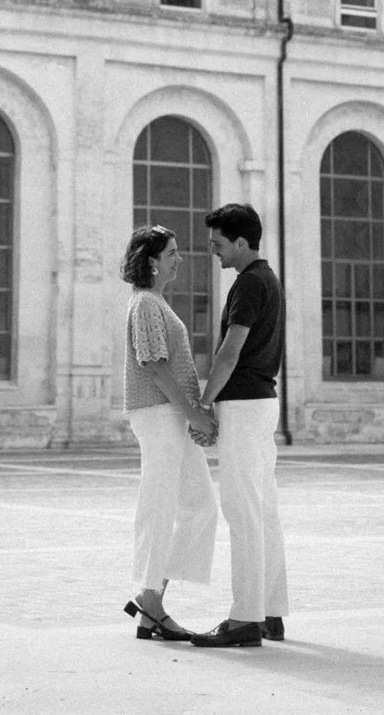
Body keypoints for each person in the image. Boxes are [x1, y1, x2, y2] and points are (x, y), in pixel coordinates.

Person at [190, 202, 288, 649]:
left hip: (244, 404)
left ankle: (245, 618)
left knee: (242, 511)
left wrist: (204, 402)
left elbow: (230, 352)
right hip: (262, 403)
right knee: (262, 509)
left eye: (219, 244)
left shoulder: (249, 284)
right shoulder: (267, 278)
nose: (214, 252)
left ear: (242, 242)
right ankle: (270, 611)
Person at [120, 224, 218, 641]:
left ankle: (150, 600)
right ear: (152, 260)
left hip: (169, 415)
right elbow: (155, 366)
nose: (179, 258)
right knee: (159, 505)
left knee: (200, 505)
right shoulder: (145, 303)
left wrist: (191, 413)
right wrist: (194, 415)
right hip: (159, 413)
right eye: (172, 252)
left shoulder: (156, 301)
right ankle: (151, 601)